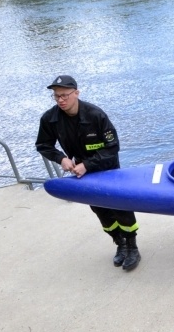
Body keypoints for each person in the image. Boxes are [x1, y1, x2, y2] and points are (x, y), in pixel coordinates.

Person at [36, 75, 142, 271]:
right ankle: (119, 243)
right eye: (56, 96)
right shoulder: (50, 119)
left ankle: (132, 247)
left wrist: (88, 164)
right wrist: (61, 158)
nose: (60, 100)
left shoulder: (95, 115)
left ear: (76, 93)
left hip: (108, 168)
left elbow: (113, 147)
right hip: (83, 173)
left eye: (65, 95)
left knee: (120, 208)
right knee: (100, 210)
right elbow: (43, 145)